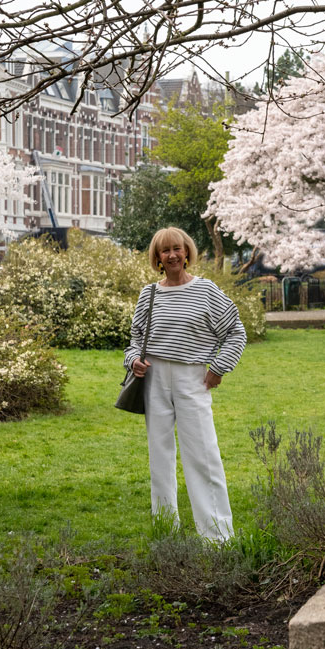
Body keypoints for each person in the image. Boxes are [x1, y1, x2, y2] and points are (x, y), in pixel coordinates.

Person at [124, 227, 246, 540]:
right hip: (153, 379)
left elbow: (236, 332)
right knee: (159, 459)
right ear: (157, 257)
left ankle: (218, 538)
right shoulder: (149, 294)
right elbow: (135, 340)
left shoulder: (206, 291)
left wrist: (219, 368)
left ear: (187, 251)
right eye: (165, 250)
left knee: (203, 456)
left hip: (193, 378)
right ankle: (166, 532)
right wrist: (133, 360)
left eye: (177, 248)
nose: (172, 255)